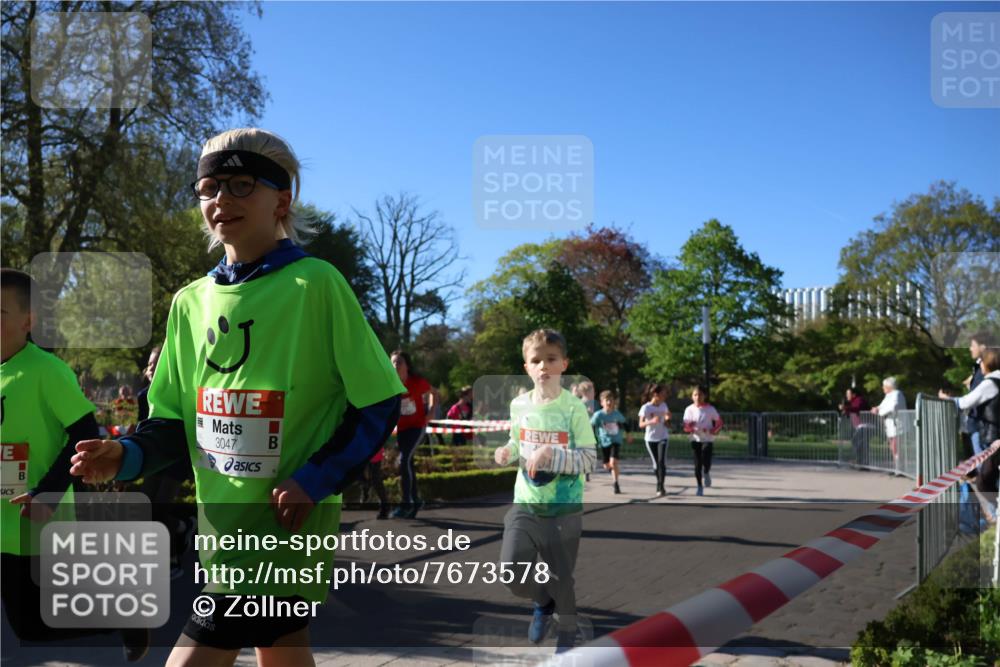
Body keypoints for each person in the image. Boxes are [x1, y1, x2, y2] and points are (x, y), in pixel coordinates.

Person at [68, 128, 404, 667]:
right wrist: (126, 454)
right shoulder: (189, 301)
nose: (220, 200)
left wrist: (315, 479)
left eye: (241, 184)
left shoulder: (317, 284)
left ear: (282, 199)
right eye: (208, 188)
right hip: (220, 532)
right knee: (282, 650)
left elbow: (378, 403)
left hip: (284, 531)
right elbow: (176, 421)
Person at [0, 268, 149, 661]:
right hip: (3, 516)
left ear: (28, 322)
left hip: (35, 517)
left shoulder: (46, 371)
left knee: (33, 623)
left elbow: (83, 434)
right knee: (24, 623)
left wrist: (45, 492)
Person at [493, 329, 596, 652]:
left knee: (561, 578)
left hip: (564, 509)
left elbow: (589, 459)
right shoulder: (519, 405)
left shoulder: (574, 409)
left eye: (551, 359)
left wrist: (552, 454)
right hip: (525, 503)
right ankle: (542, 601)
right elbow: (516, 439)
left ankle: (566, 638)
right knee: (511, 572)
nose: (543, 367)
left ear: (564, 364)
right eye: (536, 360)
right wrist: (507, 451)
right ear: (526, 367)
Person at [137, 344, 194, 579]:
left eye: (156, 363)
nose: (151, 368)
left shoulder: (181, 393)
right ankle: (182, 526)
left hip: (176, 457)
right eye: (149, 364)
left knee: (159, 506)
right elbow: (143, 430)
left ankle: (172, 560)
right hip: (154, 458)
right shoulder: (143, 396)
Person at [949, 348, 1000, 522]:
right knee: (989, 478)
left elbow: (965, 403)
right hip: (994, 436)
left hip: (994, 438)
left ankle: (996, 515)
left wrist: (946, 400)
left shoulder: (991, 383)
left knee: (983, 480)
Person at [389, 350, 434, 519]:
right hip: (402, 429)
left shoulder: (417, 382)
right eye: (392, 362)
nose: (395, 365)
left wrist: (431, 412)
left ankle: (405, 503)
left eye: (399, 362)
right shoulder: (390, 385)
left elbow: (434, 393)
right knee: (408, 463)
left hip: (417, 426)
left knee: (404, 459)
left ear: (407, 366)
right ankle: (415, 500)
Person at [683, 386, 723, 497]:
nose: (698, 397)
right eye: (695, 395)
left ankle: (706, 472)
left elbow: (719, 422)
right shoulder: (689, 409)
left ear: (704, 396)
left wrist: (713, 430)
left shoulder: (710, 409)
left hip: (708, 438)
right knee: (697, 464)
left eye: (700, 394)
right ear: (692, 396)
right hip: (695, 438)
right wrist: (691, 428)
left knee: (706, 458)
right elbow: (686, 426)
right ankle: (699, 486)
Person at [591, 390, 627, 494]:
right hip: (603, 441)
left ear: (614, 402)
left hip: (616, 440)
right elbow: (592, 425)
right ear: (602, 402)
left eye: (611, 400)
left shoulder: (616, 414)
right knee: (606, 465)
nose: (609, 403)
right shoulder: (598, 415)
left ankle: (616, 483)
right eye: (607, 400)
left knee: (613, 462)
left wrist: (628, 434)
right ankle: (612, 471)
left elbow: (624, 423)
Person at [639, 383, 671, 497]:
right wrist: (651, 421)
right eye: (663, 394)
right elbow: (641, 424)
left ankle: (661, 486)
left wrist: (667, 419)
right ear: (655, 394)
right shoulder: (646, 407)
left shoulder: (664, 406)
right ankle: (658, 483)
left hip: (663, 437)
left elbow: (667, 424)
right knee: (656, 463)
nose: (665, 396)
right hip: (651, 438)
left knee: (662, 462)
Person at [872, 376, 907, 473]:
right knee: (893, 447)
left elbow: (893, 407)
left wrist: (879, 412)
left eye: (884, 386)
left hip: (897, 425)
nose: (883, 388)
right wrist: (877, 408)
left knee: (896, 447)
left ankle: (900, 468)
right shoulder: (889, 395)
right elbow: (882, 405)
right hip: (891, 426)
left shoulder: (897, 394)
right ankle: (897, 467)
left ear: (889, 386)